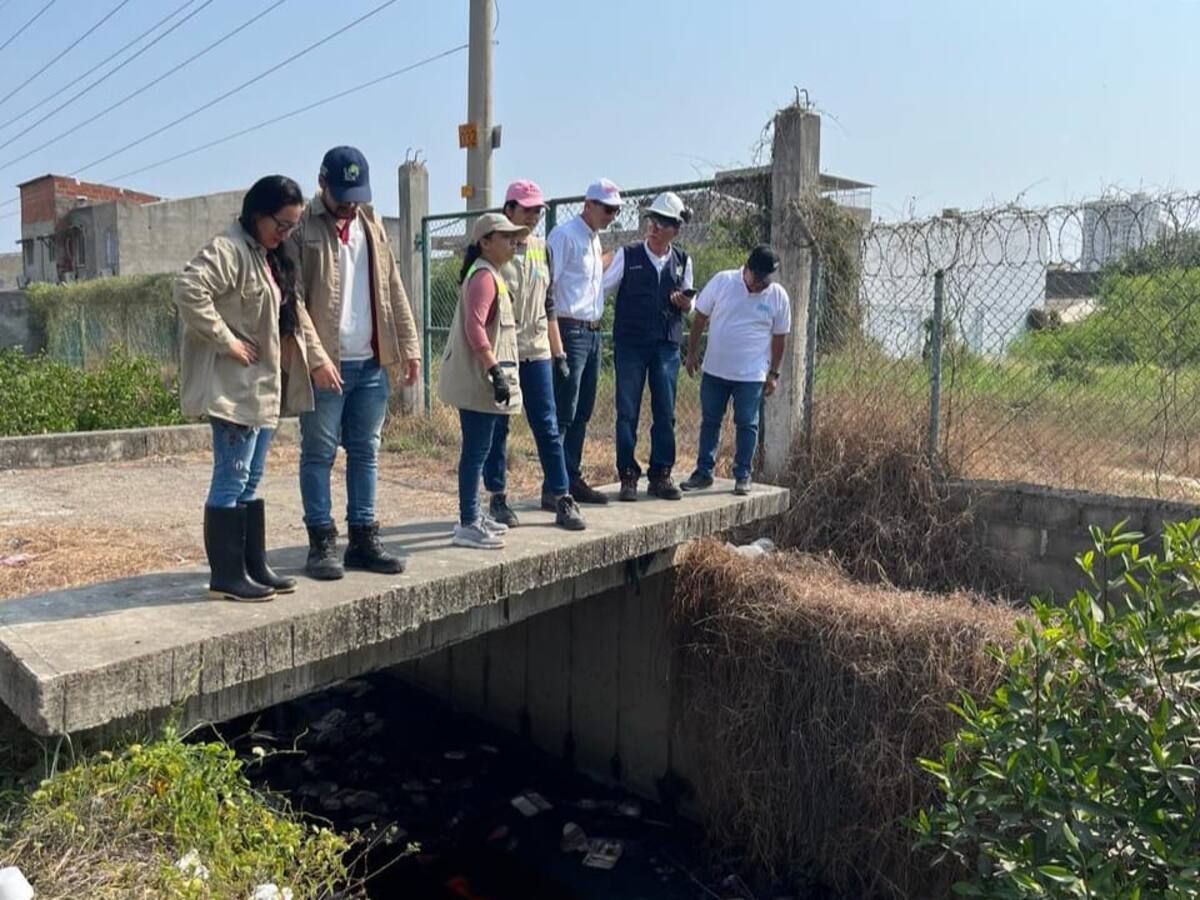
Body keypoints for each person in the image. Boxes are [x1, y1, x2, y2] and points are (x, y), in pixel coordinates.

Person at [175, 175, 316, 601]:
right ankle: (226, 577)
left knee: (251, 481)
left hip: (261, 388)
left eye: (293, 226)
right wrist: (227, 341)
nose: (286, 233)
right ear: (258, 213)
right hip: (234, 389)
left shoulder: (266, 254)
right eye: (282, 224)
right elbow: (187, 288)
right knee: (231, 480)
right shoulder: (229, 249)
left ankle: (251, 565)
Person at [289, 146, 421, 581]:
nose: (349, 205)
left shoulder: (371, 224)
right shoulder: (302, 227)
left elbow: (393, 285)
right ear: (321, 183)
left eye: (356, 196)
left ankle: (363, 538)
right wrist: (316, 357)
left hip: (371, 361)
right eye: (342, 196)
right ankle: (321, 542)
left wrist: (409, 344)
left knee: (366, 452)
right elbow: (293, 301)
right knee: (319, 453)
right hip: (327, 363)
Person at [481, 180, 585, 531]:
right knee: (499, 425)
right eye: (527, 209)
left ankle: (561, 495)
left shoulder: (543, 249)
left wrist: (559, 353)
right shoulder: (493, 246)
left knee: (548, 424)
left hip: (538, 349)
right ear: (508, 209)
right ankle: (496, 496)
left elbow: (549, 303)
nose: (535, 215)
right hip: (504, 350)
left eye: (538, 209)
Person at [438, 212, 529, 549]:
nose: (513, 242)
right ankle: (467, 522)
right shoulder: (483, 278)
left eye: (514, 237)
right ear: (485, 242)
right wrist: (494, 371)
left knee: (482, 447)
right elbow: (474, 327)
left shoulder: (491, 273)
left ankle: (474, 513)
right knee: (475, 451)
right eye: (505, 237)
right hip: (480, 379)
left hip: (484, 379)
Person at [602, 191, 695, 502]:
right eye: (652, 220)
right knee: (627, 411)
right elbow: (604, 289)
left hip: (666, 345)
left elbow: (690, 306)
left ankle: (661, 475)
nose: (654, 226)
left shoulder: (683, 260)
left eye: (663, 222)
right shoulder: (627, 255)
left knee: (665, 412)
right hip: (630, 343)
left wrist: (684, 303)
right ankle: (628, 476)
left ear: (675, 229)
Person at [681, 244, 791, 496]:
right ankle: (703, 472)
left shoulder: (777, 296)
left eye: (766, 279)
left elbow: (779, 337)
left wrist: (773, 374)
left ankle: (743, 474)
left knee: (747, 423)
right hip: (715, 371)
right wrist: (691, 353)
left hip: (751, 376)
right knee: (710, 421)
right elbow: (700, 317)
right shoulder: (723, 281)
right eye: (757, 278)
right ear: (747, 268)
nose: (761, 284)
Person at [546, 178, 623, 505]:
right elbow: (548, 287)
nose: (611, 215)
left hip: (592, 331)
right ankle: (554, 486)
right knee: (564, 410)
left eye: (616, 211)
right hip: (569, 329)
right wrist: (555, 343)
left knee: (582, 410)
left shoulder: (592, 239)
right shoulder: (564, 236)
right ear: (588, 204)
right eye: (607, 209)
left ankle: (571, 476)